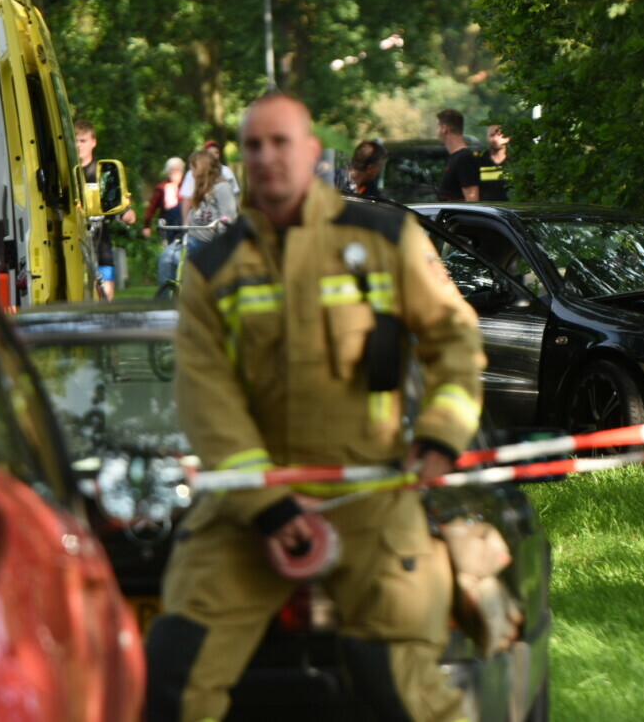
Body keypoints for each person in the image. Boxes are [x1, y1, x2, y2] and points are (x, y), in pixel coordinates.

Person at [145, 93, 486, 722]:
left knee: (405, 687)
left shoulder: (386, 237)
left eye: (281, 143)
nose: (268, 157)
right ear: (241, 161)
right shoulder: (214, 269)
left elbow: (455, 342)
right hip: (249, 504)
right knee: (175, 674)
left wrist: (440, 437)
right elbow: (206, 396)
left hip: (372, 497)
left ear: (309, 153)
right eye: (254, 146)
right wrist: (268, 506)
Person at [74, 119, 137, 300]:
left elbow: (117, 203)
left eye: (83, 141)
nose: (79, 145)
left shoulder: (104, 172)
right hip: (73, 241)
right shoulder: (67, 172)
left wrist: (126, 213)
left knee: (106, 295)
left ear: (94, 142)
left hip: (100, 239)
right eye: (76, 141)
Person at [183, 148, 238, 252]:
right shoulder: (200, 187)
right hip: (193, 238)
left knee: (175, 258)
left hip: (210, 243)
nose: (192, 174)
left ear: (200, 169)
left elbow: (228, 220)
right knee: (167, 258)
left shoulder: (222, 187)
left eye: (192, 169)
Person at [143, 156, 186, 287]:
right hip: (167, 228)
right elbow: (151, 208)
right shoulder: (161, 188)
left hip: (185, 227)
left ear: (182, 172)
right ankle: (169, 283)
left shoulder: (187, 187)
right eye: (171, 170)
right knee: (168, 258)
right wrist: (147, 225)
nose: (174, 173)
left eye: (177, 170)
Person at [179, 138, 240, 224]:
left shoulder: (226, 174)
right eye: (210, 153)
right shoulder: (191, 174)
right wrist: (186, 224)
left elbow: (233, 200)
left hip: (214, 232)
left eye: (216, 152)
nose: (214, 156)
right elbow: (187, 199)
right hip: (197, 230)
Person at [435, 108, 480, 202]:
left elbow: (472, 199)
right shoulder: (455, 157)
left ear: (444, 129)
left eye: (437, 127)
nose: (437, 132)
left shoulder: (464, 158)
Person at [478, 124, 510, 202]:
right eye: (492, 135)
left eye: (499, 135)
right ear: (487, 137)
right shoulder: (479, 161)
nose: (495, 139)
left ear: (508, 138)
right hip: (486, 210)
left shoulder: (516, 162)